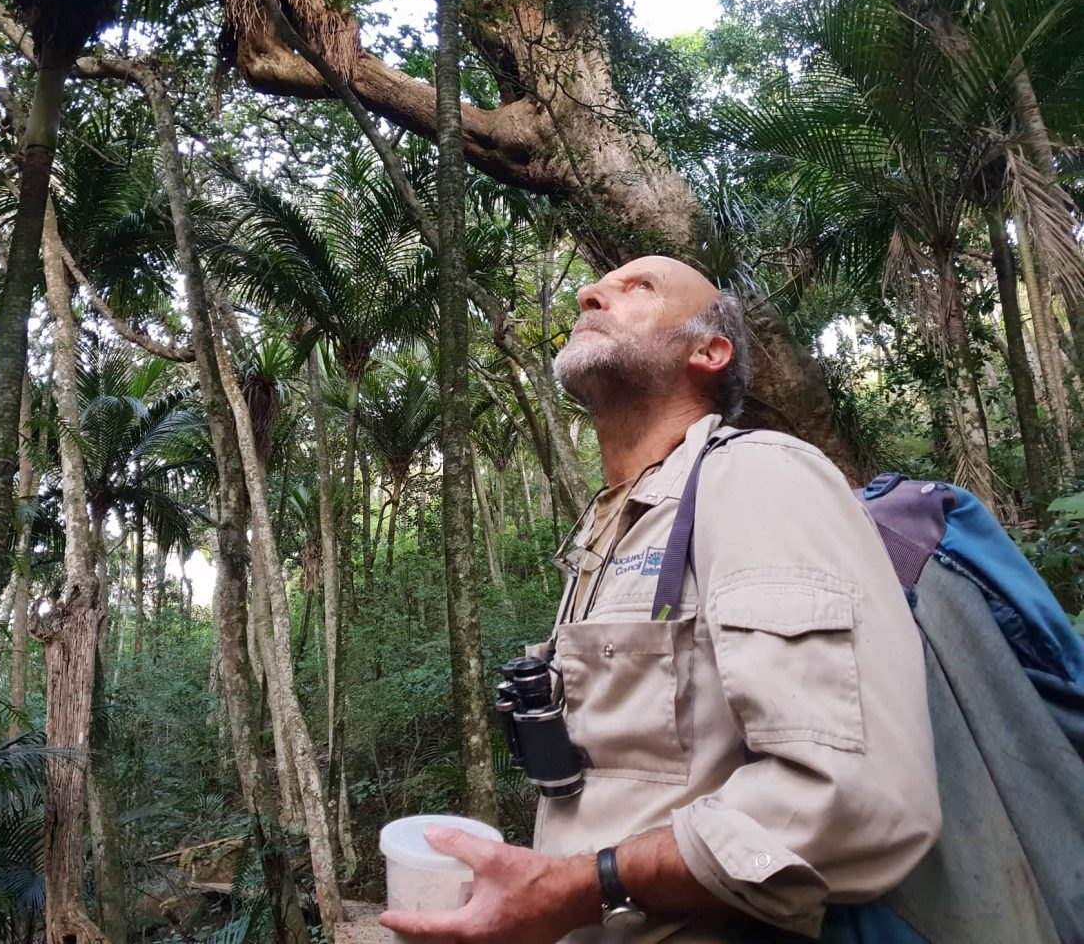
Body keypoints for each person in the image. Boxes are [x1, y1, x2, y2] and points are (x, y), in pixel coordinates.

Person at [381, 256, 941, 943]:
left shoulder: (757, 476)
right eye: (597, 285)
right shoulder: (607, 532)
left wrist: (582, 885)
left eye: (638, 287)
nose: (590, 291)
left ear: (709, 350)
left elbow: (853, 797)